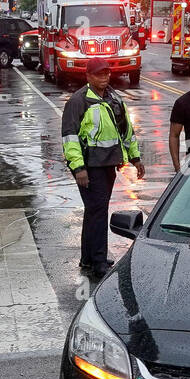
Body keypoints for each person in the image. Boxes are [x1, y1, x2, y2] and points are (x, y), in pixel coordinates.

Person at [61, 57, 144, 279]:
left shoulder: (113, 98)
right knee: (98, 212)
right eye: (99, 73)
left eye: (106, 73)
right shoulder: (79, 101)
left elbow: (126, 130)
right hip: (90, 166)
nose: (104, 77)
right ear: (88, 76)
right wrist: (79, 168)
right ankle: (98, 261)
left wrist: (135, 158)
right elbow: (69, 138)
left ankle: (88, 258)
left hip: (108, 164)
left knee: (95, 211)